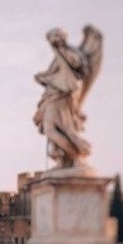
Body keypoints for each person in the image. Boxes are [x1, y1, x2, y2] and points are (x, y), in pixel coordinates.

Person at [33, 26, 102, 169]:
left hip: (64, 95)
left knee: (64, 128)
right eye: (50, 39)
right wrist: (43, 78)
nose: (52, 42)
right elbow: (55, 75)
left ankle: (78, 155)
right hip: (54, 95)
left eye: (54, 38)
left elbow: (76, 64)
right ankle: (66, 158)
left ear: (61, 38)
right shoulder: (57, 56)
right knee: (51, 129)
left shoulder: (69, 52)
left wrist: (62, 50)